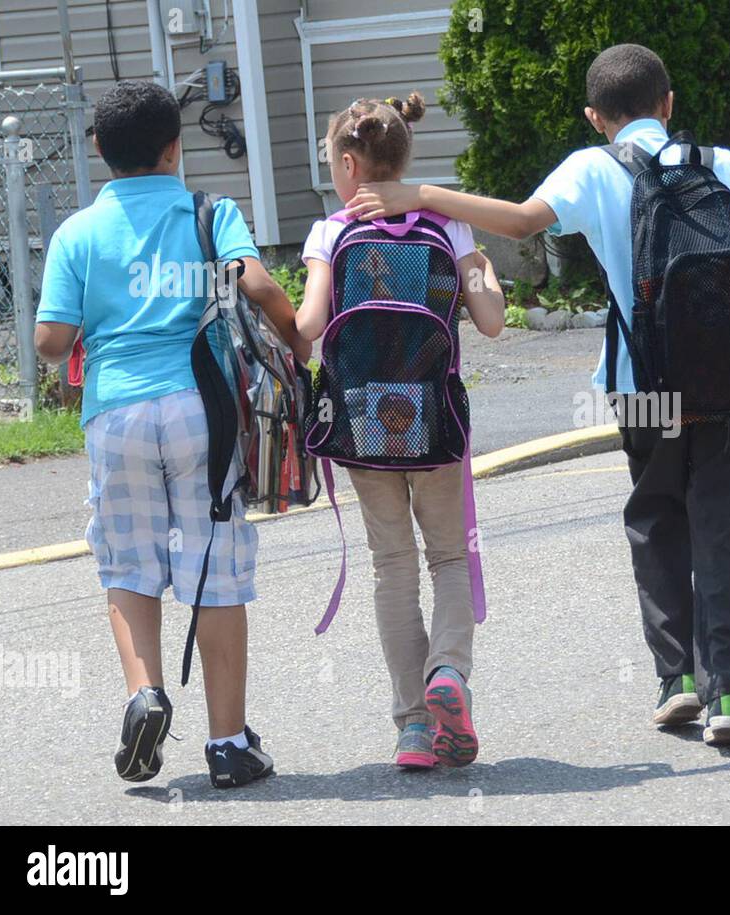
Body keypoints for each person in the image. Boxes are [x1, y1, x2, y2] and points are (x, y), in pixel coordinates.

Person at [347, 45, 730, 744]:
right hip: (729, 380)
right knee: (723, 530)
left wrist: (422, 195)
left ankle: (676, 678)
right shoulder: (711, 163)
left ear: (595, 117)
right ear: (668, 103)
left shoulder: (592, 168)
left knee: (655, 521)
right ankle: (729, 693)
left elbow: (522, 221)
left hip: (640, 384)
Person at [34, 80, 311, 788]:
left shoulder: (77, 232)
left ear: (99, 150)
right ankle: (227, 744)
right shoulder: (207, 213)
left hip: (115, 414)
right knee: (217, 571)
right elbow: (255, 284)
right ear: (175, 147)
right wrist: (297, 344)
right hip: (201, 409)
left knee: (128, 566)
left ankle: (145, 692)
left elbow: (50, 338)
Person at [295, 93, 506, 768]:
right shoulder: (450, 226)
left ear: (350, 164)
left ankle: (414, 725)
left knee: (392, 566)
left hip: (363, 423)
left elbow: (306, 332)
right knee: (447, 556)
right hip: (436, 418)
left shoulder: (330, 234)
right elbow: (494, 319)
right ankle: (449, 672)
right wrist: (483, 268)